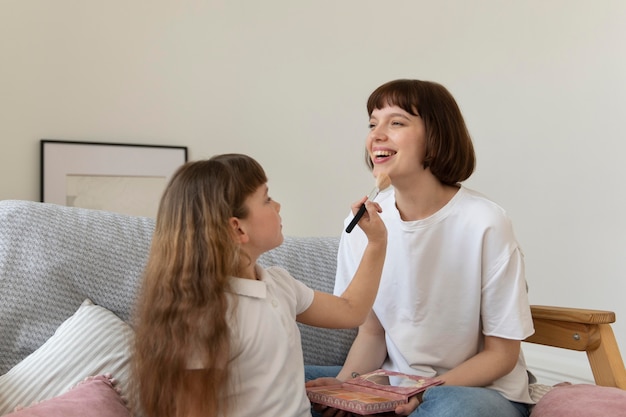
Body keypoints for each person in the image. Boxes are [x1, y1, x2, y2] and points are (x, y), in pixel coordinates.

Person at [305, 79, 535, 417]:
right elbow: (372, 334)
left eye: (396, 122)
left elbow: (501, 354)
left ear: (435, 137)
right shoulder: (361, 228)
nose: (377, 135)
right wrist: (344, 393)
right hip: (392, 385)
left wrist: (421, 394)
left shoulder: (485, 222)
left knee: (451, 410)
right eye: (372, 124)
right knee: (282, 381)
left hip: (476, 392)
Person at [131, 153, 387, 417]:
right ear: (237, 229)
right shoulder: (201, 314)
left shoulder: (278, 284)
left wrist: (376, 243)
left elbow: (351, 309)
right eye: (266, 198)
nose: (277, 205)